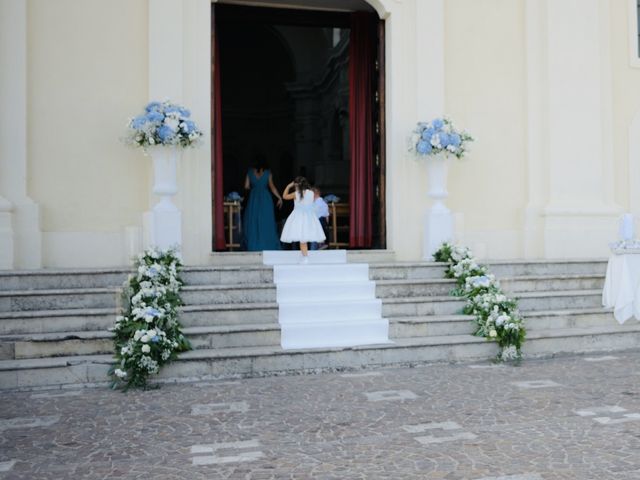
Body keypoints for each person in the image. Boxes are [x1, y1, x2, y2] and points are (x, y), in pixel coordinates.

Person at [280, 177, 326, 263]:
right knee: (305, 238)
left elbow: (284, 196)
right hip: (309, 218)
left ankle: (305, 257)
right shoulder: (311, 193)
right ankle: (304, 256)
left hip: (299, 217)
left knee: (302, 239)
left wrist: (288, 186)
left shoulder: (296, 194)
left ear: (297, 185)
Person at [242, 156, 283, 251]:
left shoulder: (250, 172)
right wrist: (279, 197)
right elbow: (272, 187)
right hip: (265, 198)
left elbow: (246, 186)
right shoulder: (268, 173)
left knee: (253, 221)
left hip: (254, 198)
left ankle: (254, 244)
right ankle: (267, 244)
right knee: (266, 221)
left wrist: (254, 186)